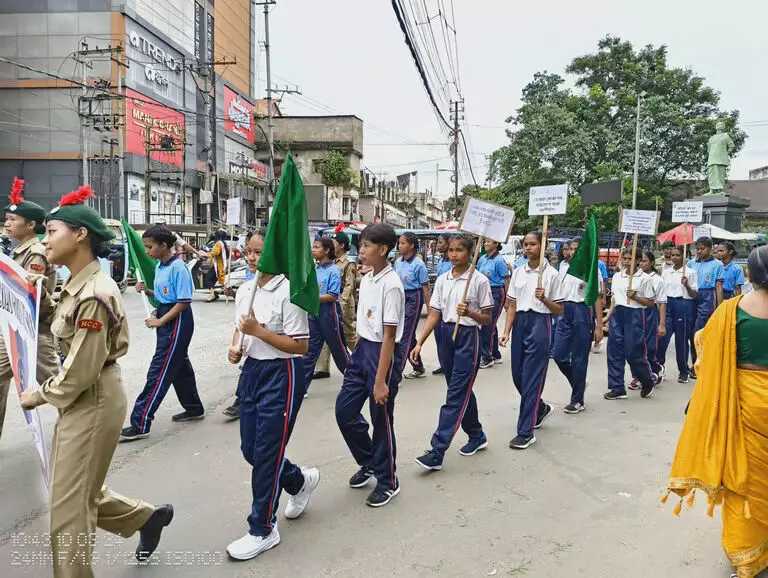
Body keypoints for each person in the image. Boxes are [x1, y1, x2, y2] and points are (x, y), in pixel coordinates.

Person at [19, 186, 173, 576]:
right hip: (85, 398)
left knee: (68, 511)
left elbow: (80, 372)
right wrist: (37, 297)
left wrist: (37, 395)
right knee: (75, 492)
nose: (44, 239)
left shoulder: (95, 293)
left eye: (51, 231)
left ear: (80, 235)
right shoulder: (77, 286)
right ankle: (143, 519)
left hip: (92, 397)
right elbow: (63, 329)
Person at [665, 246, 768, 578]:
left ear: (748, 276)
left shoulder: (730, 311)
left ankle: (748, 559)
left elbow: (706, 350)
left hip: (743, 404)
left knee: (744, 479)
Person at [224, 229, 320, 561]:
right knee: (251, 449)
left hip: (282, 374)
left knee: (266, 454)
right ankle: (298, 480)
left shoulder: (289, 291)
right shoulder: (245, 290)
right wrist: (236, 347)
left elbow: (301, 346)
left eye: (259, 253)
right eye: (248, 252)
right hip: (252, 372)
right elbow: (240, 327)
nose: (252, 259)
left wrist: (259, 332)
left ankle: (262, 529)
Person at [335, 223, 405, 507]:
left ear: (383, 249)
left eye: (365, 246)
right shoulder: (369, 279)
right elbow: (368, 315)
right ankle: (369, 461)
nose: (360, 251)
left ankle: (388, 480)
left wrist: (380, 381)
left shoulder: (392, 285)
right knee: (344, 411)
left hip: (382, 355)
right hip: (363, 349)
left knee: (381, 420)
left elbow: (389, 336)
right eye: (360, 245)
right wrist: (359, 333)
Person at [411, 234, 493, 470]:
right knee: (460, 389)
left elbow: (487, 318)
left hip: (468, 336)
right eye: (452, 250)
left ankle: (437, 450)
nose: (454, 254)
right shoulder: (444, 279)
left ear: (470, 253)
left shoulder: (479, 281)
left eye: (460, 250)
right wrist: (420, 342)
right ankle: (477, 435)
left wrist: (470, 314)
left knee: (456, 394)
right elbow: (435, 313)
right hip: (445, 335)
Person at [120, 226, 204, 441]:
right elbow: (163, 294)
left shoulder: (179, 268)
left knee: (160, 369)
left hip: (178, 320)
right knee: (179, 365)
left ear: (164, 245)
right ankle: (194, 408)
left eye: (150, 247)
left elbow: (183, 302)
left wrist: (159, 321)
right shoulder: (160, 266)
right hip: (167, 313)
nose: (147, 251)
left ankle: (141, 422)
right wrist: (145, 290)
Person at [1, 177, 58, 439]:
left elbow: (30, 295)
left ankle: (84, 425)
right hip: (15, 329)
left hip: (35, 331)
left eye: (13, 220)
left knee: (57, 385)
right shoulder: (19, 250)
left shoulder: (35, 252)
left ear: (31, 225)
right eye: (7, 219)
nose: (7, 223)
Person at [500, 232, 563, 450]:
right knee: (518, 375)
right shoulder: (518, 272)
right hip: (520, 323)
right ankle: (541, 407)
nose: (528, 248)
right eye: (525, 245)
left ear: (542, 246)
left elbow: (560, 309)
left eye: (533, 244)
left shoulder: (552, 275)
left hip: (540, 322)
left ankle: (525, 432)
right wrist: (507, 331)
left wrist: (544, 298)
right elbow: (511, 305)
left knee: (532, 378)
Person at [552, 237, 604, 414]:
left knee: (580, 357)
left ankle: (577, 400)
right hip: (564, 310)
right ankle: (578, 381)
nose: (572, 252)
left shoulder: (591, 269)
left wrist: (598, 326)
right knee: (558, 354)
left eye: (576, 249)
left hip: (582, 311)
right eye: (570, 249)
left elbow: (597, 298)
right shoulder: (563, 266)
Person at [603, 247, 658, 400]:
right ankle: (617, 387)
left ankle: (647, 379)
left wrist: (636, 297)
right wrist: (608, 315)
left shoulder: (644, 279)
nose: (626, 262)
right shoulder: (617, 277)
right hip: (618, 314)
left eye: (630, 259)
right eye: (625, 259)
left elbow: (650, 303)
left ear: (638, 260)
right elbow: (614, 298)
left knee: (633, 352)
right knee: (614, 351)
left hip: (635, 314)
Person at [302, 237, 350, 395]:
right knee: (310, 351)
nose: (313, 250)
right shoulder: (314, 270)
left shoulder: (333, 271)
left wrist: (312, 298)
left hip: (329, 313)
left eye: (317, 247)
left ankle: (355, 380)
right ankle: (301, 387)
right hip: (314, 313)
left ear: (327, 250)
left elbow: (332, 295)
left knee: (339, 350)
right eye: (313, 247)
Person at [313, 231, 358, 380]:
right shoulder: (318, 268)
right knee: (319, 343)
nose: (333, 244)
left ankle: (360, 361)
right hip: (320, 306)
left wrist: (341, 305)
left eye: (335, 242)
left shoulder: (347, 263)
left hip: (339, 305)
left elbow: (348, 287)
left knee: (345, 339)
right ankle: (322, 369)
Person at [628, 251, 667, 388]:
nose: (641, 264)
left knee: (648, 346)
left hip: (650, 313)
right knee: (634, 346)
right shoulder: (633, 277)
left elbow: (662, 302)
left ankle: (655, 368)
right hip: (635, 313)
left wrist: (661, 324)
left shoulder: (658, 280)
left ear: (651, 262)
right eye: (640, 261)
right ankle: (638, 376)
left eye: (645, 261)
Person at [394, 232, 430, 379]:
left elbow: (425, 288)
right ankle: (418, 366)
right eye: (399, 243)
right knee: (408, 336)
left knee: (404, 336)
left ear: (411, 245)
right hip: (400, 297)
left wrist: (430, 310)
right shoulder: (398, 262)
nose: (399, 246)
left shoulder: (418, 264)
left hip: (413, 297)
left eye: (403, 243)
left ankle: (396, 373)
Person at [659, 246, 698, 383]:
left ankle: (683, 370)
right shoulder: (666, 272)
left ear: (684, 256)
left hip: (683, 305)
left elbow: (694, 294)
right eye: (672, 255)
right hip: (668, 304)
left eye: (677, 255)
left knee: (681, 340)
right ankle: (659, 367)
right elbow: (661, 291)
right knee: (662, 337)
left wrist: (686, 285)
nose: (674, 258)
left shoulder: (691, 272)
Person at [687, 237, 725, 372]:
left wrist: (720, 307)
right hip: (692, 295)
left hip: (708, 296)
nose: (699, 251)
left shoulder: (717, 265)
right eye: (697, 249)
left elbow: (719, 286)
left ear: (710, 248)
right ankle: (694, 363)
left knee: (700, 330)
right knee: (691, 330)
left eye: (702, 249)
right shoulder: (691, 263)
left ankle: (702, 363)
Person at [477, 238, 511, 369]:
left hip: (496, 292)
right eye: (485, 241)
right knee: (490, 324)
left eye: (488, 242)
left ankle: (486, 356)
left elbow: (506, 280)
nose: (485, 244)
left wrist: (508, 299)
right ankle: (495, 354)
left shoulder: (499, 261)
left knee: (488, 324)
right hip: (484, 292)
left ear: (496, 244)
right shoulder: (482, 259)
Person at [432, 233, 454, 376]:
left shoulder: (454, 262)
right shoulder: (441, 261)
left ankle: (451, 363)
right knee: (438, 334)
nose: (437, 245)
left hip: (450, 303)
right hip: (439, 301)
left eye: (440, 242)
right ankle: (444, 363)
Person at [204, 229, 229, 302]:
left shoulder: (219, 243)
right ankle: (215, 293)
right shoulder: (223, 243)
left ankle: (212, 294)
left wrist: (206, 254)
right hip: (219, 265)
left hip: (217, 266)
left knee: (208, 279)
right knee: (212, 280)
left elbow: (215, 252)